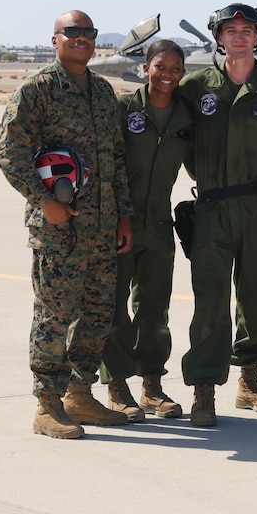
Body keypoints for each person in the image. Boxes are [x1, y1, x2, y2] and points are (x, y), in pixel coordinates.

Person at [0, 10, 135, 439]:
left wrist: (123, 213)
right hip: (59, 228)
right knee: (54, 315)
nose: (81, 38)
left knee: (96, 314)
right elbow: (8, 149)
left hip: (103, 226)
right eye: (71, 32)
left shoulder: (103, 91)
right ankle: (47, 405)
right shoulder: (38, 90)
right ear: (55, 40)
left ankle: (79, 395)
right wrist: (43, 202)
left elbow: (115, 157)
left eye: (88, 33)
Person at [178, 3, 257, 427]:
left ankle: (249, 381)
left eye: (249, 30)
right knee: (209, 301)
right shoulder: (195, 88)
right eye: (231, 30)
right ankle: (204, 389)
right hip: (211, 207)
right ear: (220, 37)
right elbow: (174, 139)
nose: (240, 36)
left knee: (255, 295)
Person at [100, 40, 194, 421]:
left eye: (175, 68)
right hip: (118, 222)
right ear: (145, 68)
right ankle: (117, 386)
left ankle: (152, 385)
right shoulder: (123, 110)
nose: (167, 74)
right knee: (115, 308)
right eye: (160, 66)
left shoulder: (187, 117)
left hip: (159, 224)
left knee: (155, 310)